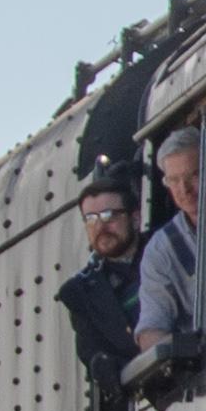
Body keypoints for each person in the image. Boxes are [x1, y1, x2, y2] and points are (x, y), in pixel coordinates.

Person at [129, 128, 206, 399]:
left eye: (193, 176)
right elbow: (151, 329)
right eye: (174, 180)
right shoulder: (161, 250)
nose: (184, 190)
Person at [52, 162, 142, 394]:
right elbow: (91, 351)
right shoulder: (79, 293)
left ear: (135, 218)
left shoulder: (164, 250)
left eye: (109, 215)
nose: (101, 226)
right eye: (90, 218)